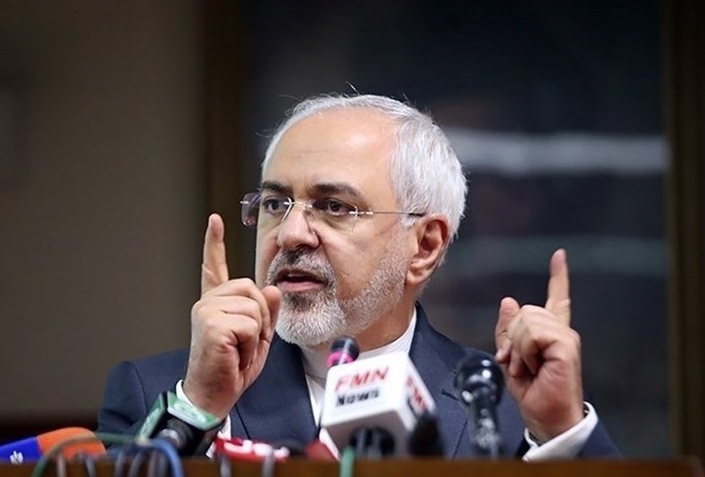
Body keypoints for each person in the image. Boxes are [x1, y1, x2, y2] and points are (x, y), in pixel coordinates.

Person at [97, 94, 619, 458]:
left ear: (425, 245)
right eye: (276, 203)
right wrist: (199, 408)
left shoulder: (499, 407)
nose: (291, 234)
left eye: (334, 206)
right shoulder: (163, 392)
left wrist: (561, 433)